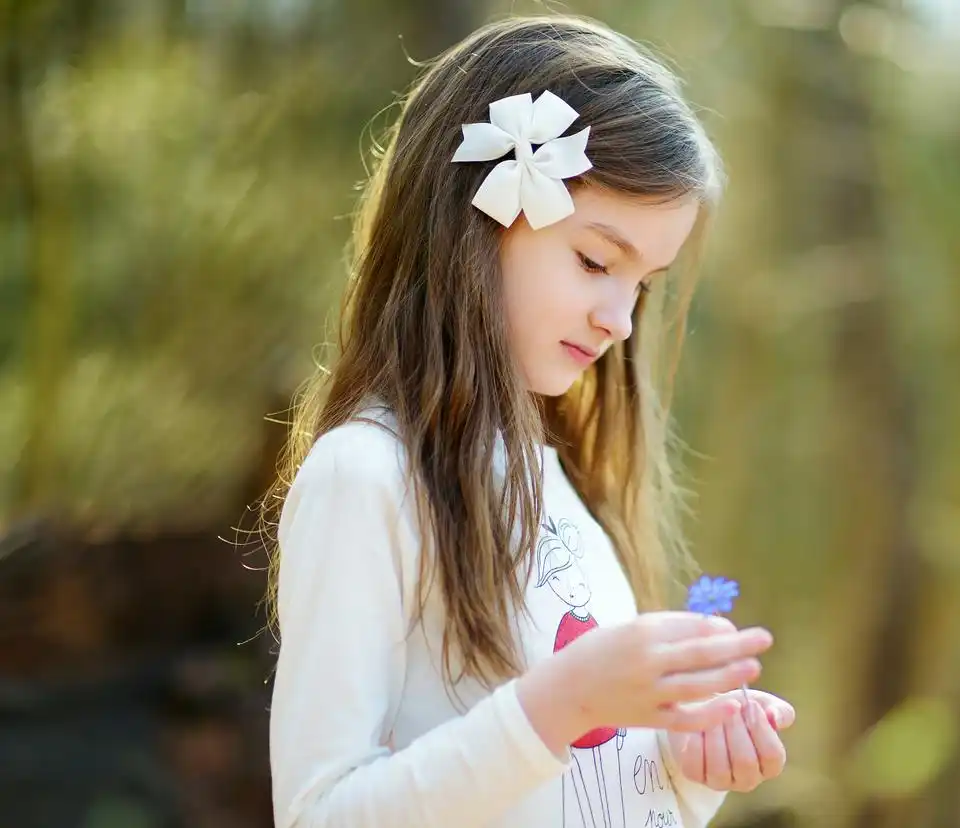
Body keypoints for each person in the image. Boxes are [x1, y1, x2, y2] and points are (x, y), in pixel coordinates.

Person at [264, 14, 796, 828]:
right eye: (594, 261)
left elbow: (572, 791)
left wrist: (687, 768)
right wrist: (559, 705)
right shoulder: (367, 476)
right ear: (473, 220)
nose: (620, 319)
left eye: (644, 284)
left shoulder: (560, 486)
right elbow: (320, 813)